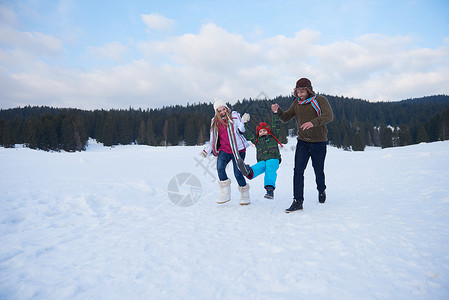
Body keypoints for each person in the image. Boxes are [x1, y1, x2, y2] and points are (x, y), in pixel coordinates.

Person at [271, 77, 334, 213]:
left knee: (318, 170)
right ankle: (297, 201)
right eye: (297, 92)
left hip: (319, 142)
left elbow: (329, 116)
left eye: (302, 91)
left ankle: (321, 189)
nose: (299, 94)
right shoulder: (296, 104)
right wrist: (278, 111)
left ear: (309, 90)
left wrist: (313, 122)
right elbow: (286, 118)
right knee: (298, 171)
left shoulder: (320, 100)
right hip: (302, 142)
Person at [201, 98, 251, 205]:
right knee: (220, 168)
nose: (223, 112)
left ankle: (245, 195)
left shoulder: (234, 116)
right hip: (224, 150)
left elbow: (241, 130)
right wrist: (207, 150)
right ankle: (225, 193)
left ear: (226, 107)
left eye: (224, 109)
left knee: (238, 173)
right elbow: (213, 139)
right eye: (220, 111)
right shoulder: (214, 122)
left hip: (238, 149)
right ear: (216, 112)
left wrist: (243, 121)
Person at [237, 122, 283, 199]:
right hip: (262, 160)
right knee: (260, 166)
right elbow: (249, 133)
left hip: (274, 159)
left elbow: (276, 126)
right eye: (260, 131)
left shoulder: (273, 137)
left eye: (264, 130)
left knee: (270, 169)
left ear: (268, 131)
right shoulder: (257, 140)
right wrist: (245, 123)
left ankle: (269, 189)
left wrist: (275, 114)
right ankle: (249, 172)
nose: (262, 133)